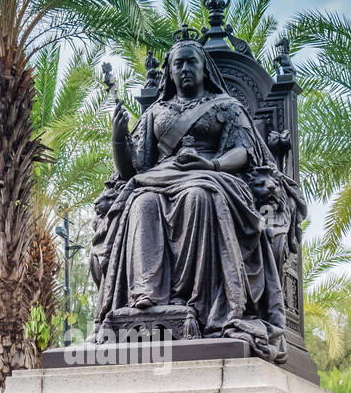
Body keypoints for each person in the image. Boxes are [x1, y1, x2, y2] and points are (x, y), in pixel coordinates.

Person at [90, 34, 305, 360]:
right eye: (179, 64)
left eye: (192, 62)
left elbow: (242, 152)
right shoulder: (156, 113)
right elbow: (130, 170)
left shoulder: (228, 107)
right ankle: (147, 295)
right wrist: (119, 139)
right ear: (171, 72)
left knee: (198, 196)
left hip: (213, 174)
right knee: (141, 202)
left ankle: (195, 301)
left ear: (204, 68)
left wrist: (210, 163)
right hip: (158, 178)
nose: (185, 69)